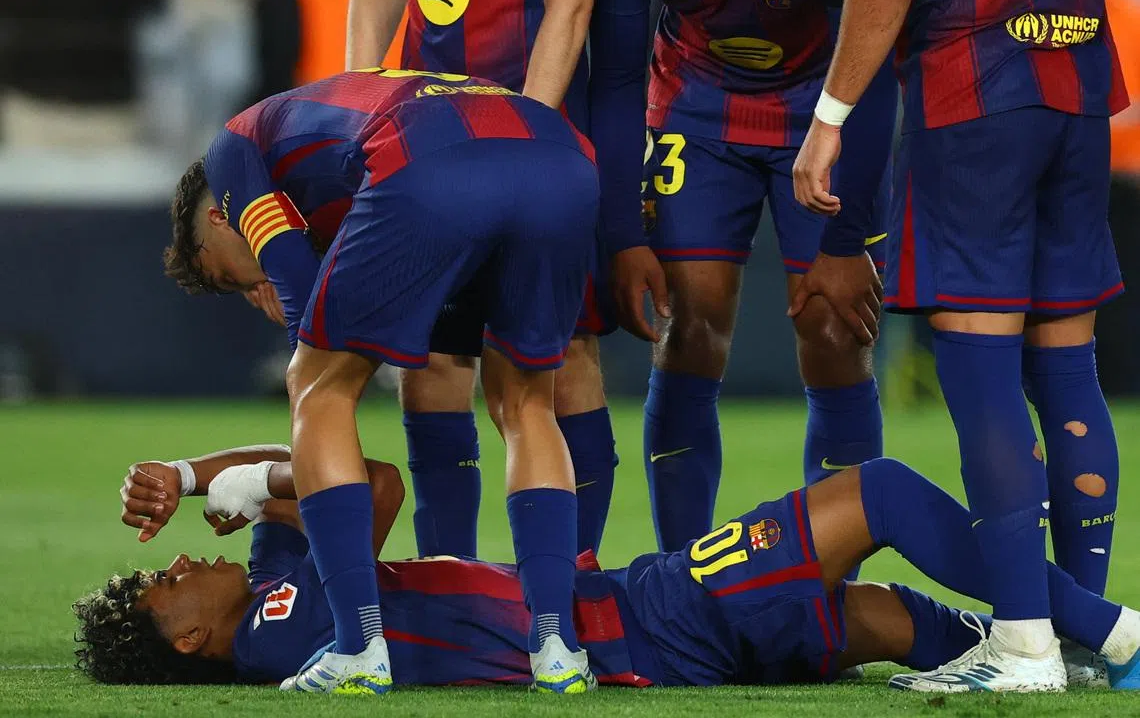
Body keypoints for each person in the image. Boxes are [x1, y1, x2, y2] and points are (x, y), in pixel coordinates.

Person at [161, 68, 600, 694]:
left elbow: (290, 277)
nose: (248, 288)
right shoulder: (320, 162)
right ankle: (556, 649)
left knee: (318, 385)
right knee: (526, 401)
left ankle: (359, 649)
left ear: (217, 220)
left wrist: (307, 353)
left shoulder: (232, 150)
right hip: (562, 157)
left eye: (231, 277)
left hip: (432, 158)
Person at [83, 446, 1140, 692]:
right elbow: (373, 487)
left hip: (646, 634)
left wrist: (199, 476)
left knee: (874, 615)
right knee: (880, 493)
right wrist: (251, 471)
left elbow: (362, 480)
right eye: (163, 584)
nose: (174, 563)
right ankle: (1109, 627)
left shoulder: (282, 598)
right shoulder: (270, 633)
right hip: (642, 615)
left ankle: (1061, 659)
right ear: (185, 639)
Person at [792, 0, 1127, 692]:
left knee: (982, 372)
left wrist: (828, 120)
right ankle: (1085, 639)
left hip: (977, 88)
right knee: (1068, 371)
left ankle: (1024, 643)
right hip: (1081, 83)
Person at [597, 0, 898, 554]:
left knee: (836, 333)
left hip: (824, 104)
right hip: (694, 104)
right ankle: (680, 587)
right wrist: (625, 234)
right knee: (686, 327)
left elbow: (876, 54)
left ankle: (833, 604)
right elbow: (614, 76)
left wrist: (845, 243)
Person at [337, 0, 627, 559]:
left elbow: (569, 2)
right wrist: (360, 99)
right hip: (428, 138)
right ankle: (450, 581)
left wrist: (525, 138)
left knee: (560, 358)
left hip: (541, 130)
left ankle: (574, 586)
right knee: (434, 361)